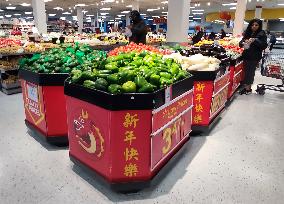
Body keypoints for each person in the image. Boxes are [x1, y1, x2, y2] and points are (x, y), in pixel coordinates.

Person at [239, 18, 267, 95]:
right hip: (246, 55)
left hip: (254, 56)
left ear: (259, 26)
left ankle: (248, 89)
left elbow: (264, 45)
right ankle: (246, 87)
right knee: (246, 72)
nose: (254, 26)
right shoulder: (248, 33)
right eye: (252, 25)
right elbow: (240, 43)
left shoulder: (262, 34)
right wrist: (243, 42)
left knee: (250, 72)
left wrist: (255, 40)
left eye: (256, 25)